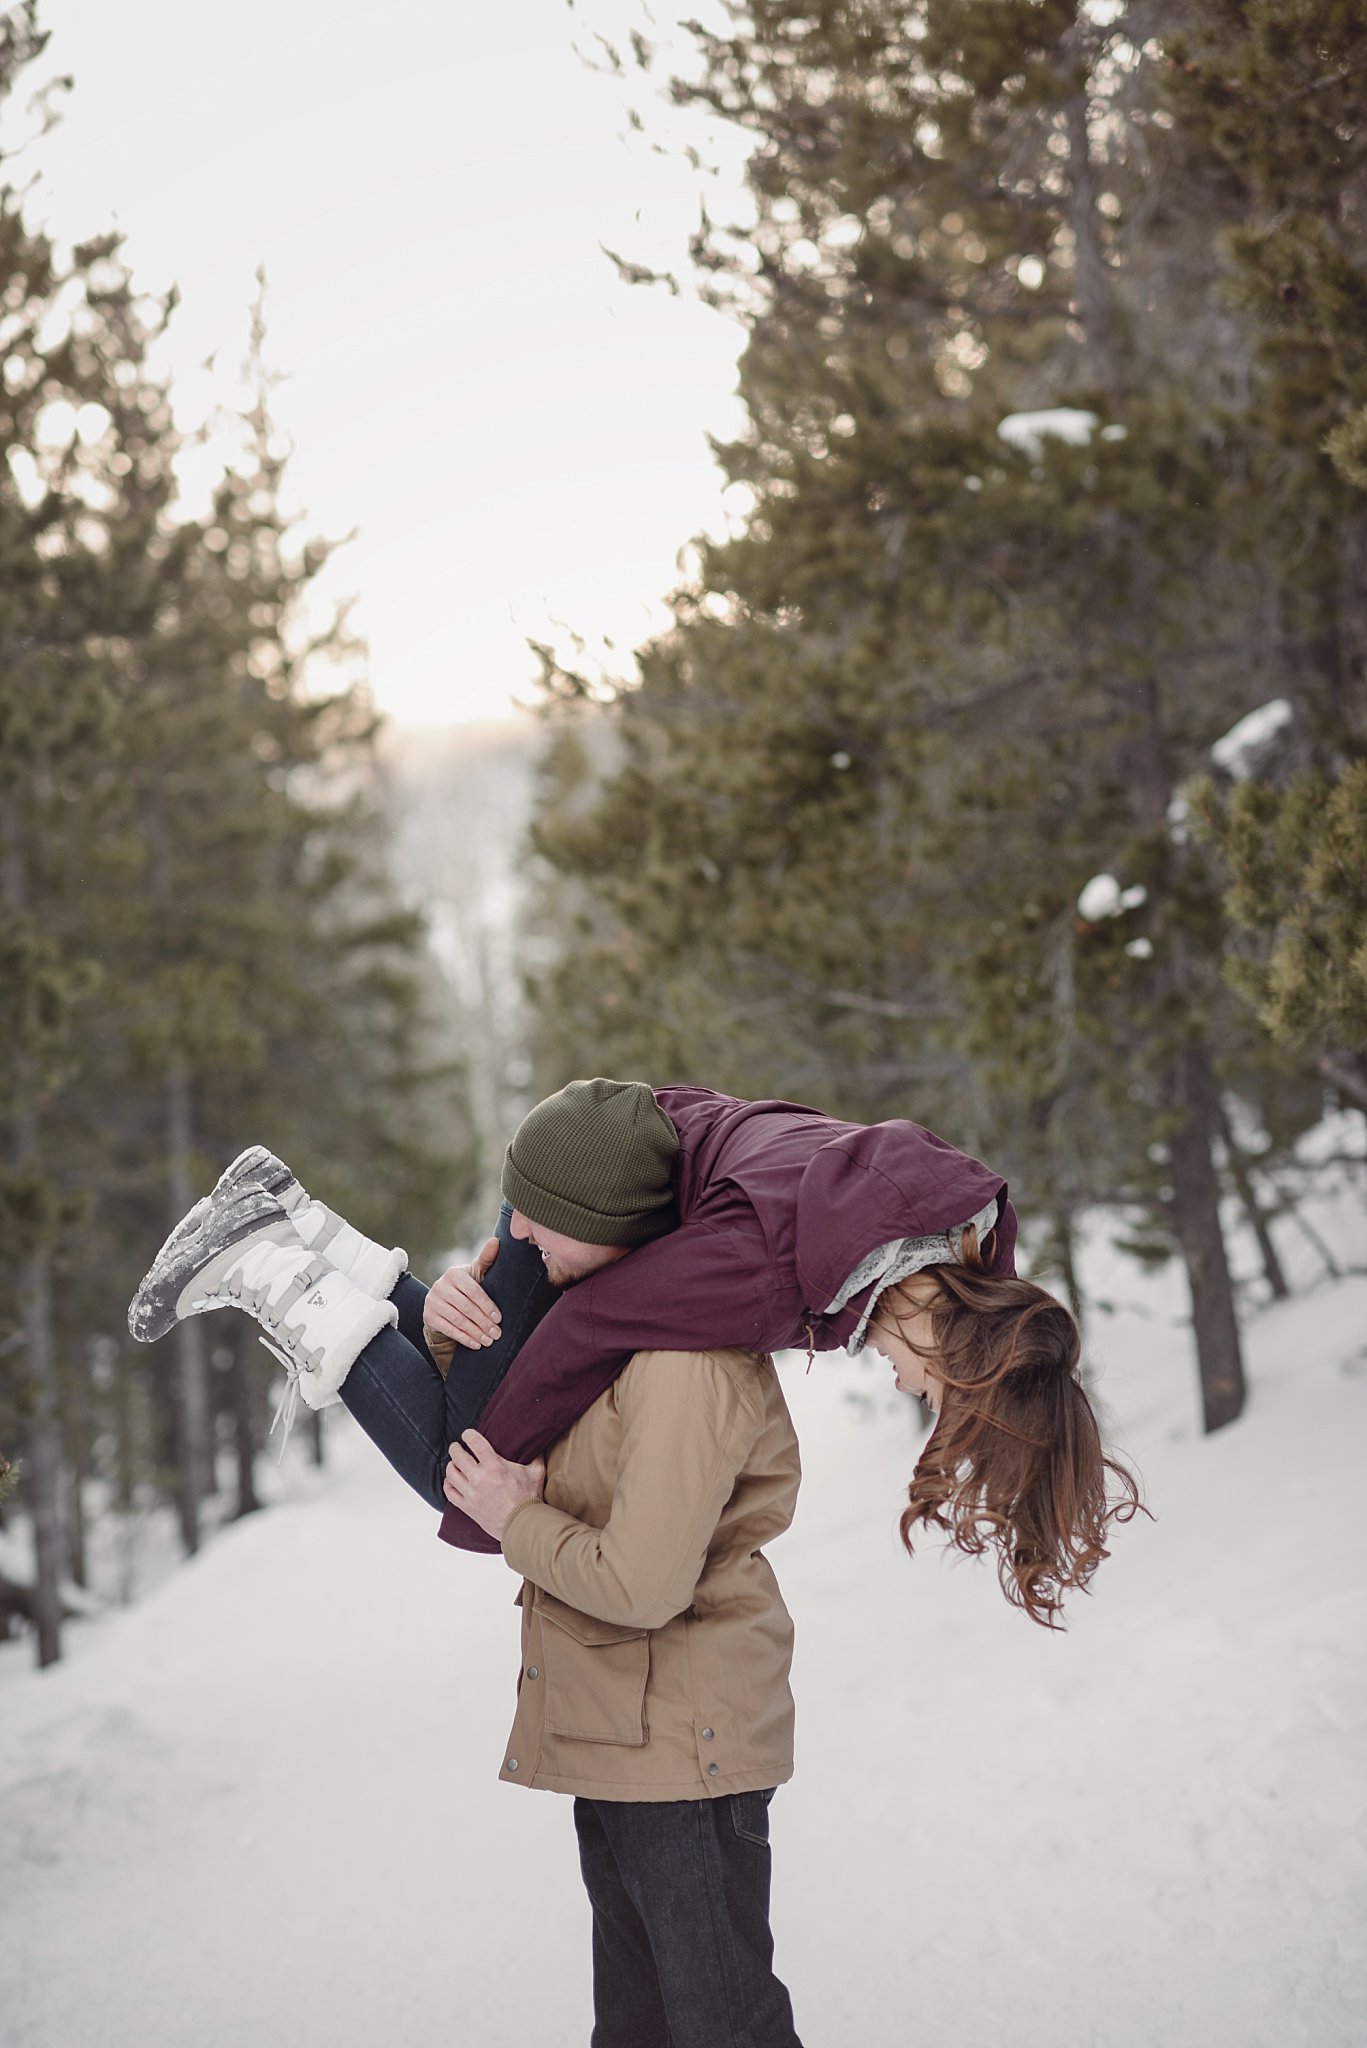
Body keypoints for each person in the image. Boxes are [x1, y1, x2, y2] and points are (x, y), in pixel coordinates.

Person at [128, 1077, 1140, 1626]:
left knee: (472, 1389)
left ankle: (293, 1217)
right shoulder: (768, 1272)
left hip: (625, 1139)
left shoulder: (958, 1226)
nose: (909, 1388)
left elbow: (1019, 1329)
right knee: (458, 1464)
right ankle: (269, 1261)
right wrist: (492, 1501)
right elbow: (589, 1323)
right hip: (592, 1186)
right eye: (935, 1390)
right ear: (953, 1343)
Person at [445, 1338, 805, 2048]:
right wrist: (450, 1313)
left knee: (722, 2029)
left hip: (676, 1747)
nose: (533, 1231)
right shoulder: (605, 1333)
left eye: (551, 1220)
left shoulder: (684, 1362)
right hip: (620, 1736)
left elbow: (640, 1584)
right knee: (639, 2030)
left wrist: (516, 1521)